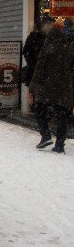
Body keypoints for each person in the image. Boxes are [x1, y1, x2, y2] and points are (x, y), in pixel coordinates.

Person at [30, 22, 74, 154]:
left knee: (39, 109)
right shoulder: (69, 49)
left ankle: (46, 135)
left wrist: (32, 87)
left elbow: (39, 70)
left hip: (47, 88)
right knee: (63, 116)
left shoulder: (47, 49)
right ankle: (60, 144)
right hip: (65, 88)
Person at [22, 20, 48, 88]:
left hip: (33, 66)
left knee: (33, 87)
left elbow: (25, 51)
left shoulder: (31, 37)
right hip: (42, 67)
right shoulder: (45, 37)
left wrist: (30, 62)